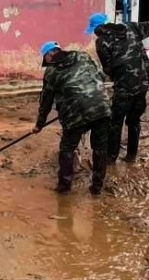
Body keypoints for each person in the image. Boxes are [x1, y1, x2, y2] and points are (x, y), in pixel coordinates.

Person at [87, 13, 149, 163]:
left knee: (115, 122)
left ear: (97, 28)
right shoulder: (131, 27)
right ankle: (131, 155)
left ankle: (111, 157)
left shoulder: (102, 41)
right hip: (142, 84)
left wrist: (114, 76)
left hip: (124, 88)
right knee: (134, 120)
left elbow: (107, 68)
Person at [36, 40, 111, 195]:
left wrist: (39, 124)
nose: (47, 62)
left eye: (46, 58)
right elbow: (102, 76)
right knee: (100, 147)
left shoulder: (51, 71)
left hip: (75, 114)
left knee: (67, 148)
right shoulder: (84, 56)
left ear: (49, 55)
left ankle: (64, 186)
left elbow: (46, 101)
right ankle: (97, 187)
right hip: (102, 107)